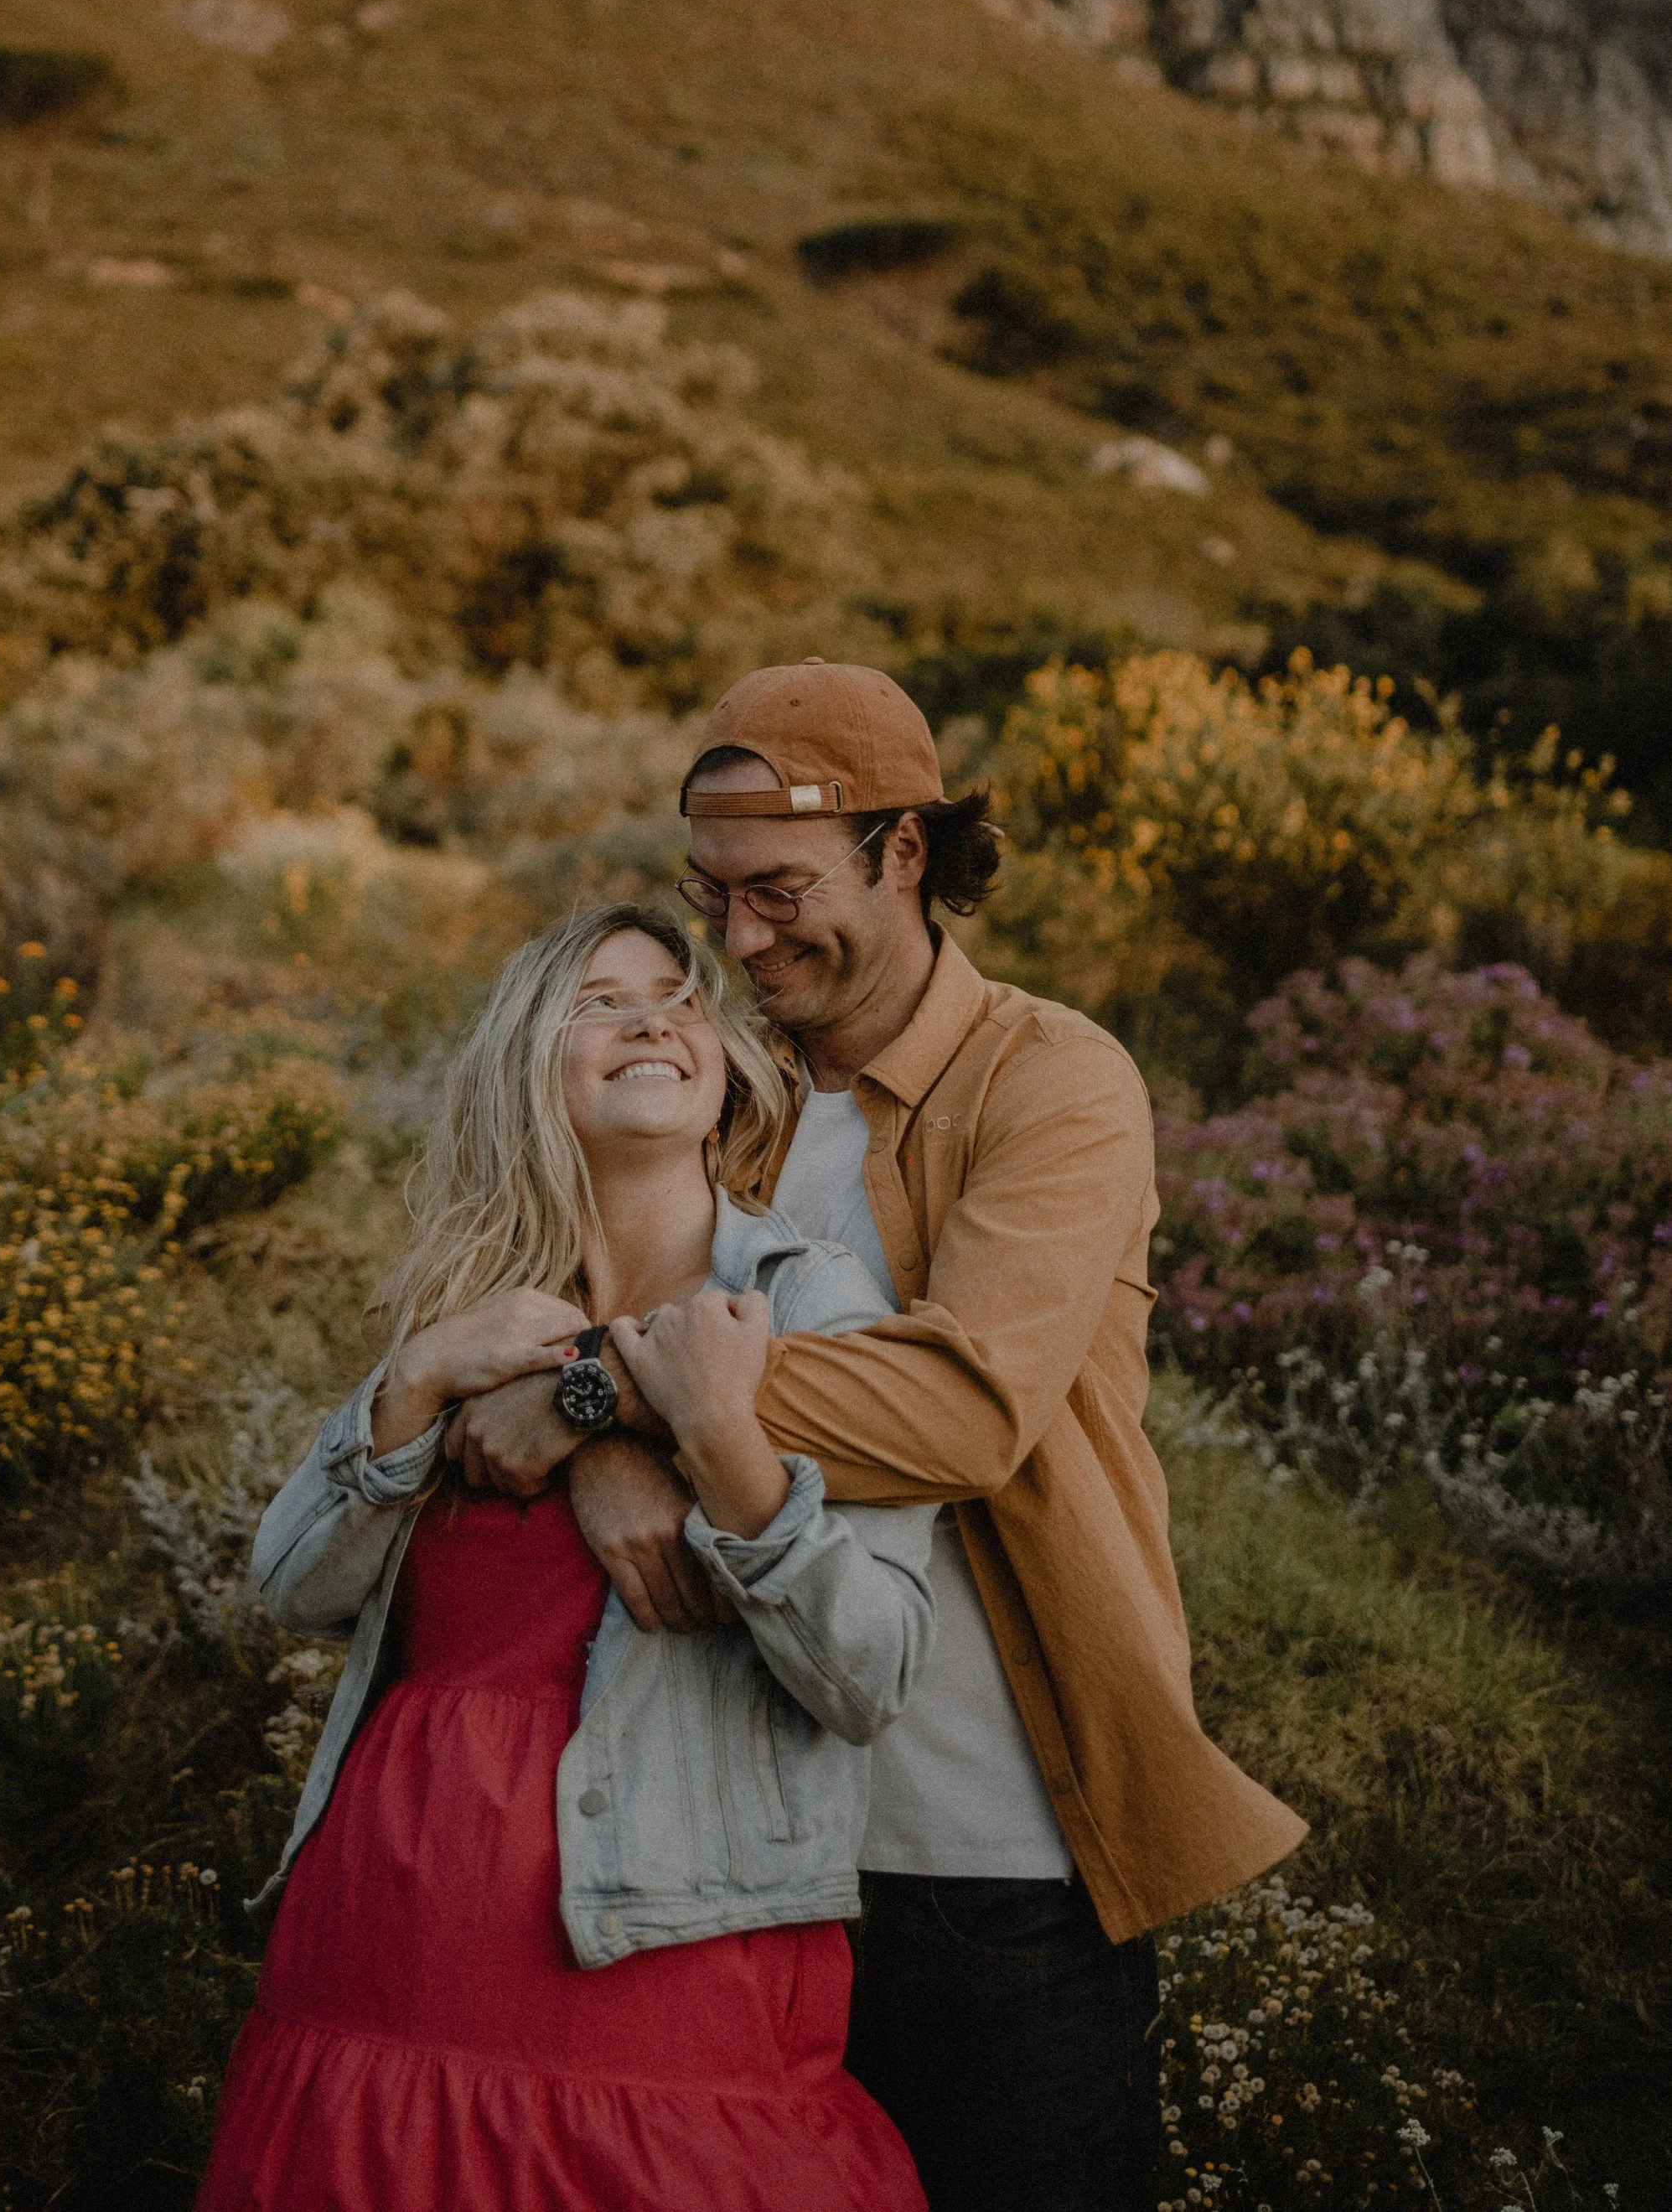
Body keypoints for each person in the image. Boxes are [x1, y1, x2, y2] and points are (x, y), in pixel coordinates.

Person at [448, 660, 1308, 2212]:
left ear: (903, 852)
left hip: (988, 1860)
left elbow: (963, 1406)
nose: (743, 938)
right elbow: (526, 1322)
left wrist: (614, 1393)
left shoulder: (1054, 1082)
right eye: (714, 897)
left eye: (780, 889)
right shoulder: (730, 1090)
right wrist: (609, 1430)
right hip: (732, 1853)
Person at [195, 900, 936, 2212]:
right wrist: (418, 1374)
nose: (651, 1015)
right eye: (600, 998)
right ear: (531, 1058)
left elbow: (870, 1669)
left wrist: (702, 1438)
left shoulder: (809, 1303)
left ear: (723, 1067)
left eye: (681, 994)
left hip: (663, 1980)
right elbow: (293, 1583)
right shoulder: (475, 1306)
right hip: (373, 1971)